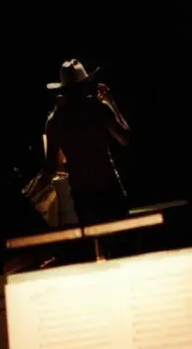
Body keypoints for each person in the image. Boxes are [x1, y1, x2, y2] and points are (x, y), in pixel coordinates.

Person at [34, 59, 131, 227]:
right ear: (85, 85)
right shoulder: (97, 109)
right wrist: (111, 103)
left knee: (95, 238)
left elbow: (51, 166)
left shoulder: (55, 121)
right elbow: (126, 139)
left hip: (82, 192)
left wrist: (34, 191)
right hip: (107, 185)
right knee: (123, 235)